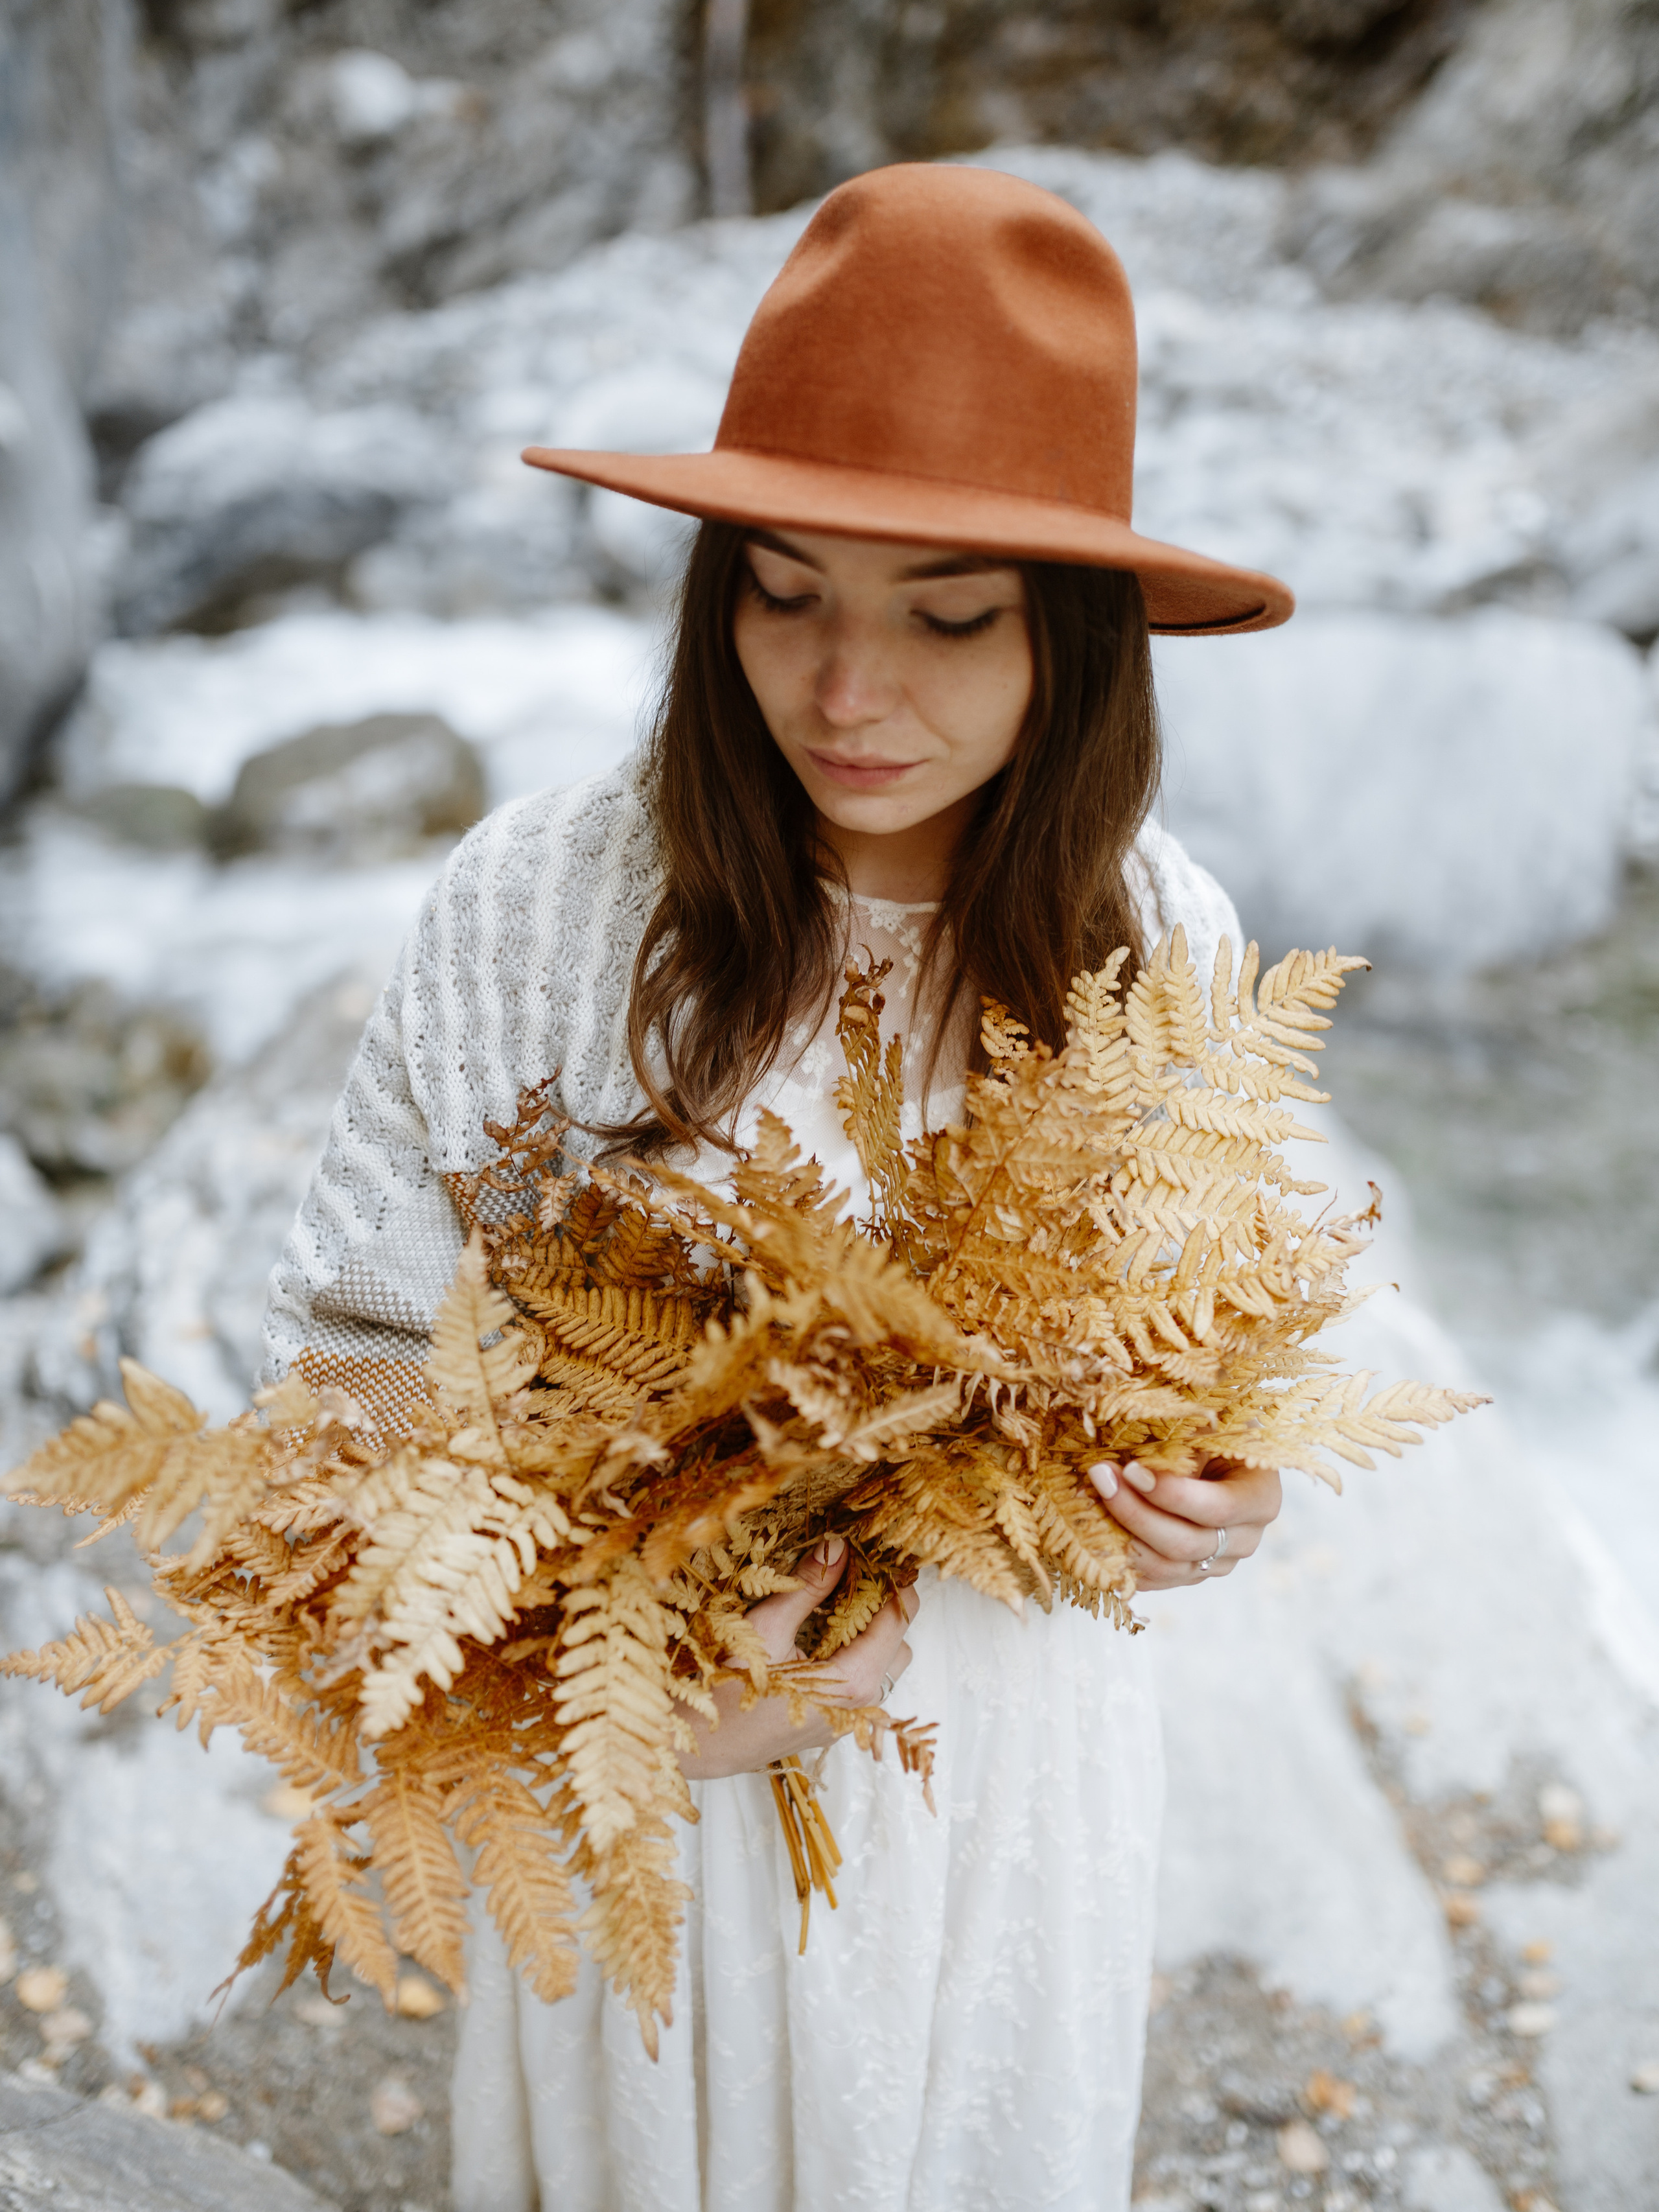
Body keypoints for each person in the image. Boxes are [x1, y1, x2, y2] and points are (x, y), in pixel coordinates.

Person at [261, 163, 1293, 2212]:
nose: (844, 690)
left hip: (1002, 1787)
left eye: (947, 613)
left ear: (1076, 639)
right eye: (785, 586)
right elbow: (351, 1376)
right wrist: (611, 1678)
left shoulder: (1163, 937)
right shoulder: (543, 907)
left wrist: (1219, 1498)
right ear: (710, 582)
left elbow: (1204, 1363)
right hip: (645, 1798)